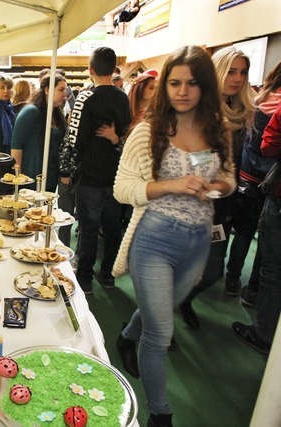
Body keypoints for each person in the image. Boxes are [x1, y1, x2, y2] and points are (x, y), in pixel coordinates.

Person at [113, 45, 235, 427]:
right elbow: (123, 188)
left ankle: (127, 334)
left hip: (198, 240)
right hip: (155, 240)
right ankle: (160, 415)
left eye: (192, 83)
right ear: (164, 85)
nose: (182, 91)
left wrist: (215, 188)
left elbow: (229, 179)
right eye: (175, 82)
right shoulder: (149, 131)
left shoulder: (218, 129)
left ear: (205, 88)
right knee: (162, 331)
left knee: (159, 311)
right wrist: (171, 185)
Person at [179, 46, 256, 328]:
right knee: (178, 267)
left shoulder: (243, 113)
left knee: (212, 271)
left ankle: (183, 300)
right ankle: (157, 321)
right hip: (191, 202)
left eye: (243, 72)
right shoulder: (199, 111)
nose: (237, 78)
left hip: (222, 205)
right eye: (232, 70)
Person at [58, 47, 130, 292]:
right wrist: (114, 139)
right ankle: (108, 274)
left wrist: (66, 170)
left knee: (88, 229)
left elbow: (73, 139)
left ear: (90, 70)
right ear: (113, 69)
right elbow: (127, 137)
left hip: (89, 175)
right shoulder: (123, 98)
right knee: (112, 227)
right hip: (115, 175)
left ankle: (86, 278)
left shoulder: (85, 98)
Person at [232, 102, 281, 355]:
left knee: (271, 267)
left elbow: (268, 145)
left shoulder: (262, 106)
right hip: (257, 186)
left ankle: (263, 332)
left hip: (259, 186)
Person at [238, 61, 281, 307]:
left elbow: (260, 143)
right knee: (262, 240)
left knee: (246, 229)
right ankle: (250, 287)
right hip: (269, 181)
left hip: (248, 175)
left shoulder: (258, 101)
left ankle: (236, 280)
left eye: (242, 72)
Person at [11, 72, 68, 192]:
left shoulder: (57, 114)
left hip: (50, 178)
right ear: (47, 90)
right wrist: (17, 180)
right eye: (61, 90)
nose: (65, 94)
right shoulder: (30, 112)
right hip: (30, 180)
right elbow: (16, 148)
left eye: (65, 90)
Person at [128, 69, 158, 133]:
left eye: (157, 88)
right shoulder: (127, 108)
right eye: (151, 88)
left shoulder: (156, 111)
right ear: (140, 88)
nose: (155, 91)